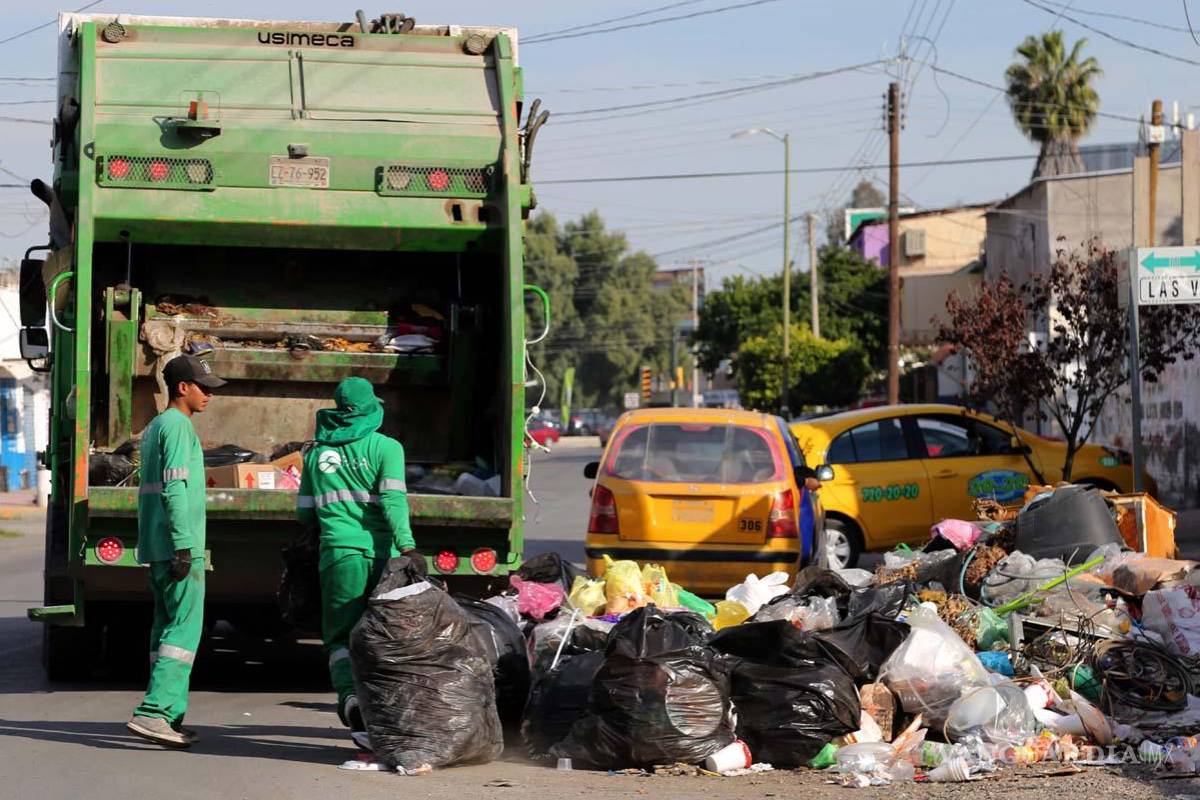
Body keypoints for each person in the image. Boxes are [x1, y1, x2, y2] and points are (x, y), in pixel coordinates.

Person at [296, 377, 419, 748]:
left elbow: (305, 514)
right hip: (384, 558)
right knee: (386, 636)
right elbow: (394, 502)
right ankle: (390, 714)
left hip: (339, 555)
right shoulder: (387, 447)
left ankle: (350, 697)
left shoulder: (315, 455)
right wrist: (409, 547)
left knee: (339, 637)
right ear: (371, 408)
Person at [127, 354, 225, 749]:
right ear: (182, 387)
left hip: (156, 546)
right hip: (177, 546)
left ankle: (167, 714)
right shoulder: (179, 427)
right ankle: (155, 712)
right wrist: (186, 545)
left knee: (165, 633)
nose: (209, 397)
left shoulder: (154, 428)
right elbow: (174, 489)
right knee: (183, 631)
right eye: (204, 388)